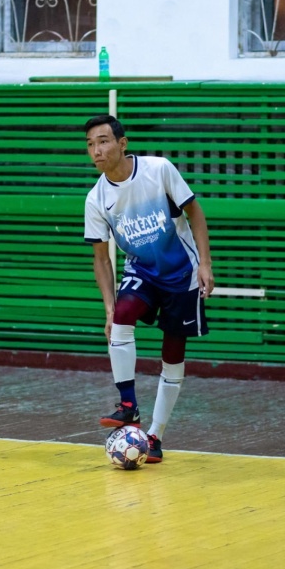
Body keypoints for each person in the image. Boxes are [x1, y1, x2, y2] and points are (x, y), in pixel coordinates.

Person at [83, 114, 214, 464]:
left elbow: (195, 213)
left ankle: (155, 436)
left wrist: (205, 263)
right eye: (90, 144)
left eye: (103, 141)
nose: (97, 150)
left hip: (182, 274)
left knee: (172, 356)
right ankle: (128, 405)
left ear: (122, 143)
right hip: (142, 270)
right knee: (122, 316)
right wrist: (109, 309)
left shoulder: (158, 170)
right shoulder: (96, 199)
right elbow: (101, 260)